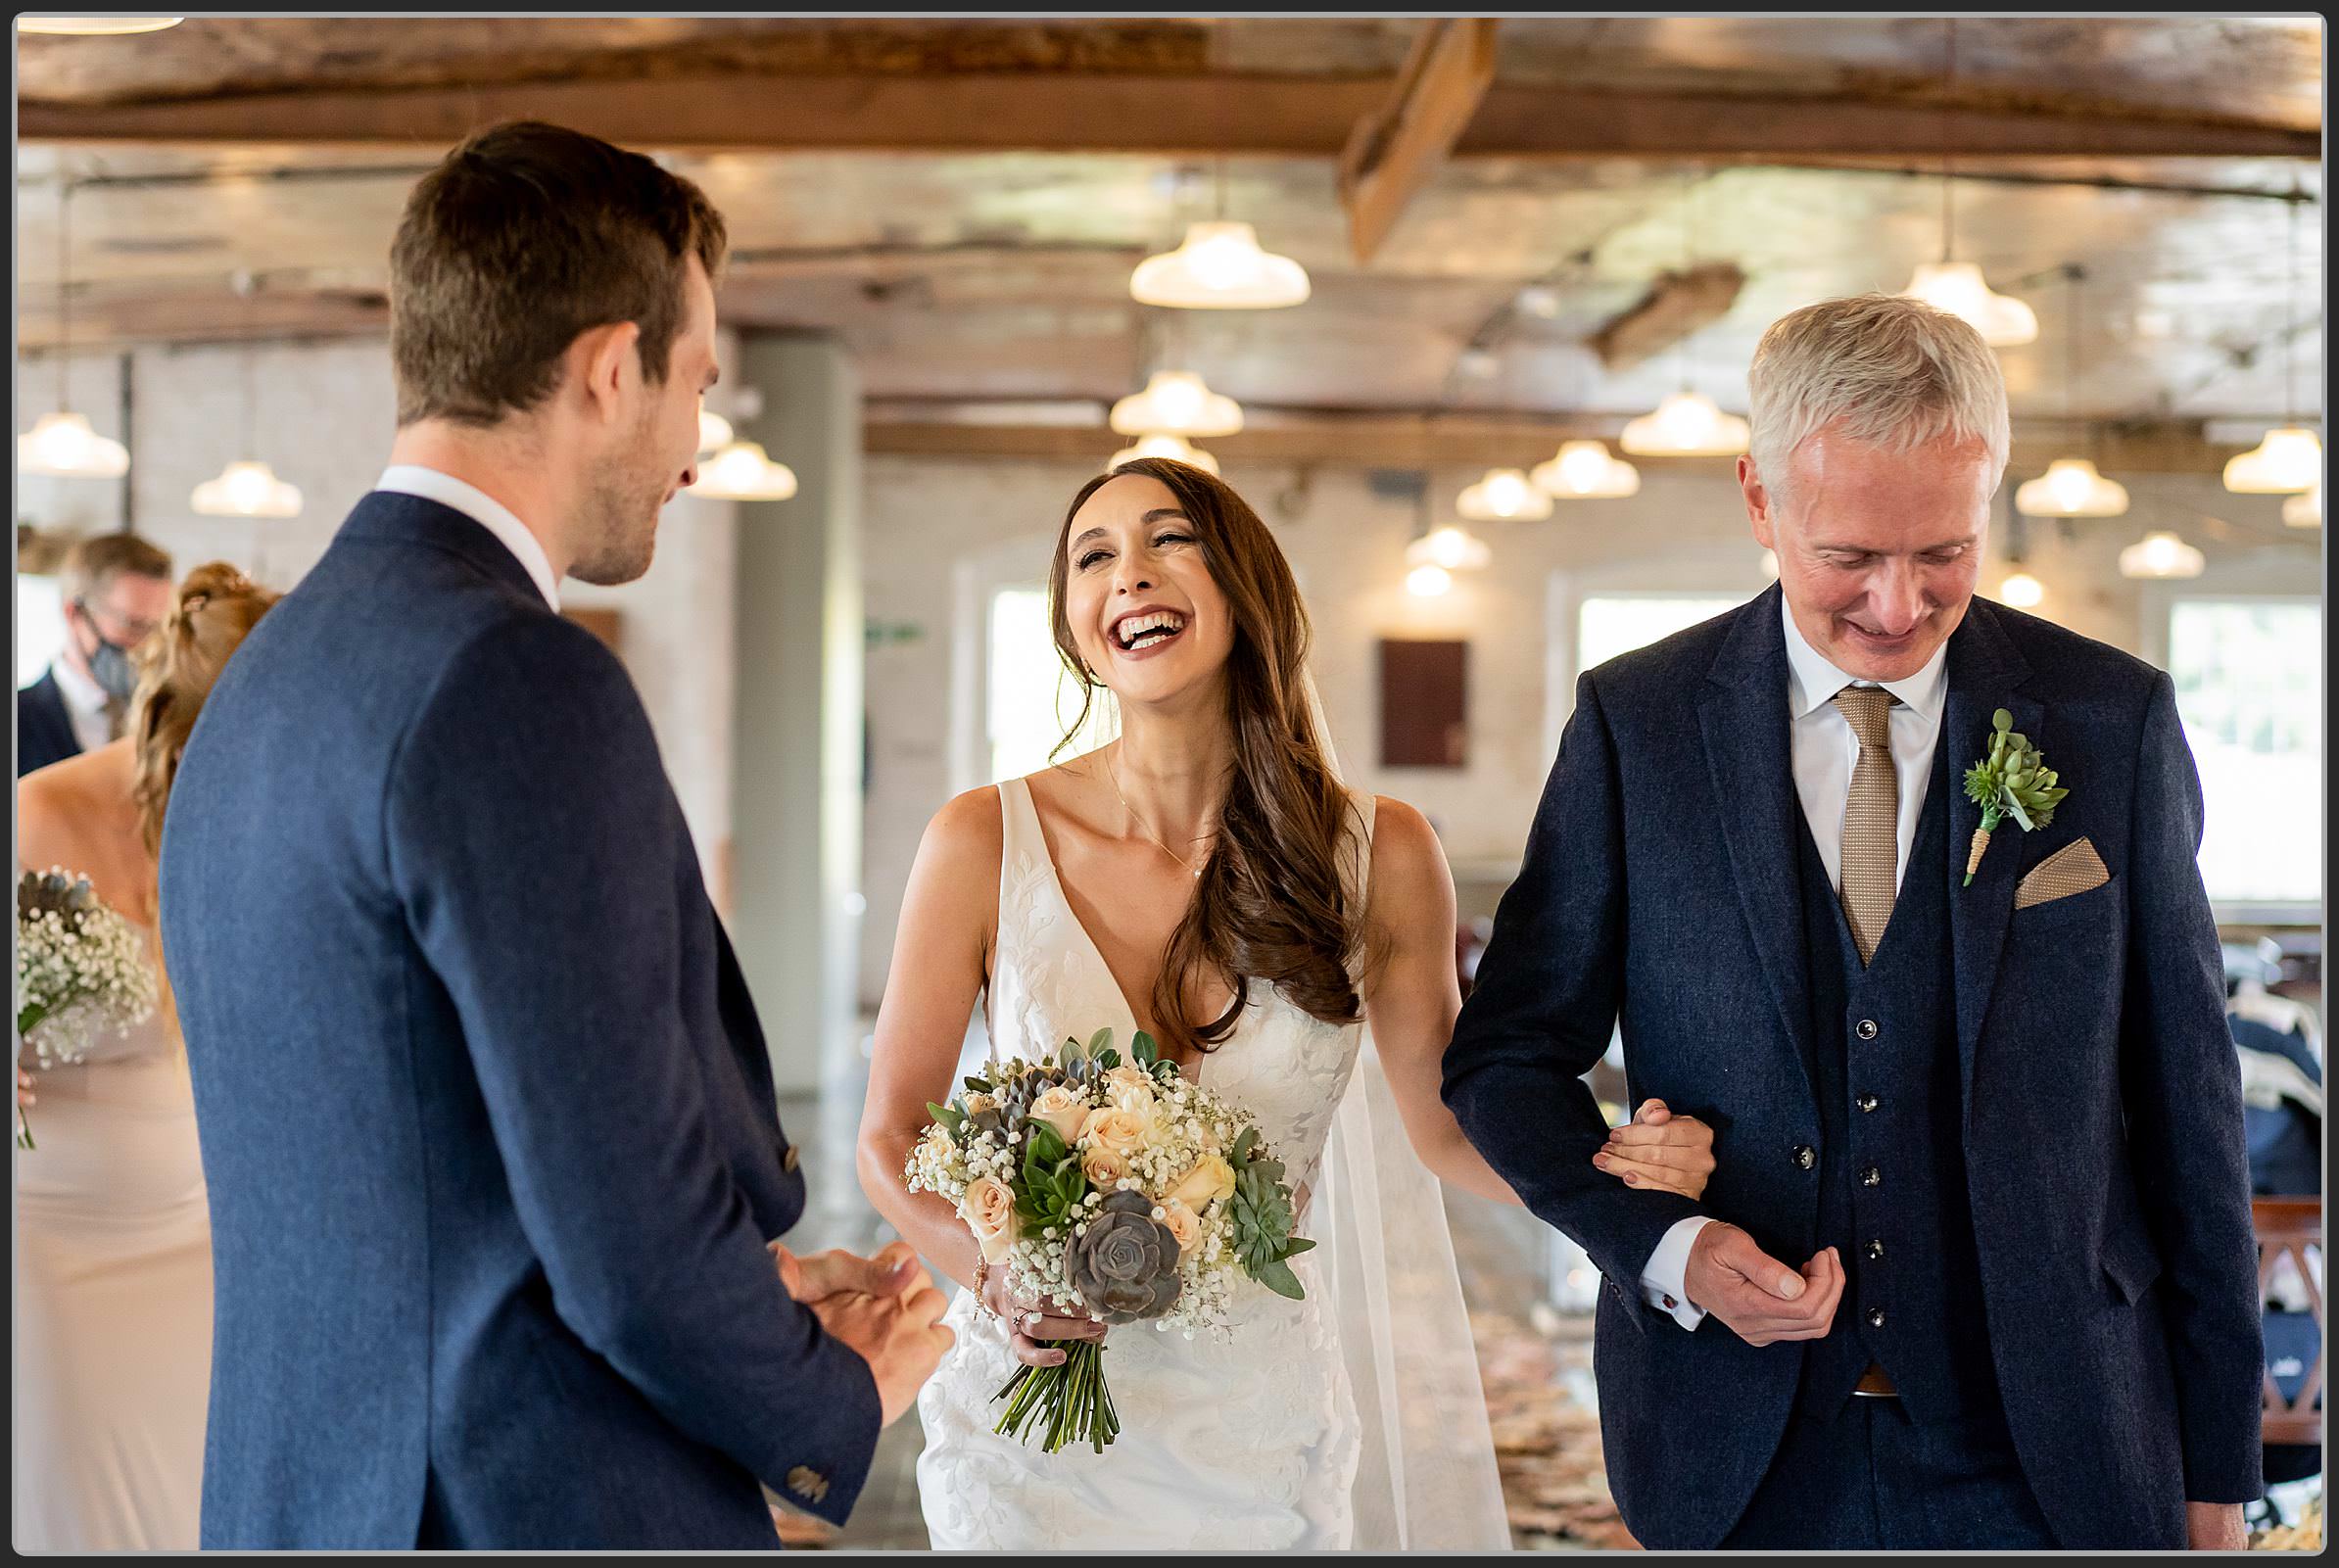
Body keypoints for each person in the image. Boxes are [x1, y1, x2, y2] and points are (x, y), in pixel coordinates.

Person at [156, 121, 949, 1550]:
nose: (697, 451)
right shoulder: (514, 677)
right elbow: (627, 1236)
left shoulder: (268, 675)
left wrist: (748, 1299)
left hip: (305, 1496)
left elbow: (407, 1167)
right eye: (697, 383)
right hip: (518, 1499)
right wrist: (823, 1398)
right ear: (606, 369)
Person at [1443, 293, 2265, 1550]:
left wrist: (2218, 1461)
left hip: (2058, 1448)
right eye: (1850, 557)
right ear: (1760, 500)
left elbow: (2191, 1109)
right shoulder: (1637, 726)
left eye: (1944, 551)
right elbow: (1505, 1057)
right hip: (1737, 1449)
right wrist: (1663, 1241)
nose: (1897, 604)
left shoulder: (2114, 722)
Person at [856, 456, 1719, 1549]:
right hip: (1028, 1438)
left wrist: (1611, 1165)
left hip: (1250, 1434)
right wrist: (996, 1274)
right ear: (1075, 628)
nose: (1130, 573)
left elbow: (1447, 1126)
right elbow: (890, 1135)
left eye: (1169, 539)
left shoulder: (1383, 852)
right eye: (1094, 555)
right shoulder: (979, 839)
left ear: (1243, 587)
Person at [12, 562, 272, 1550]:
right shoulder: (37, 818)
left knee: (191, 1506)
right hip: (56, 1246)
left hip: (202, 1242)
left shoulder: (254, 815)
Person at [18, 532, 173, 777]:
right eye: (132, 625)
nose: (148, 646)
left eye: (159, 628)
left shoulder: (167, 719)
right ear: (74, 613)